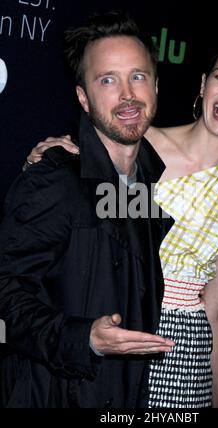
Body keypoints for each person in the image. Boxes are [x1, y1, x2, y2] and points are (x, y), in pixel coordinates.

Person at [28, 39, 218, 408]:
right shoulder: (139, 145)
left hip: (186, 352)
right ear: (204, 85)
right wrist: (53, 154)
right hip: (121, 321)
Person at [0, 11, 176, 408]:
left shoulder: (146, 179)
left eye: (138, 76)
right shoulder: (55, 178)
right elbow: (5, 292)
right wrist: (85, 339)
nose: (128, 94)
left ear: (156, 86)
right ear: (83, 97)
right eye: (107, 80)